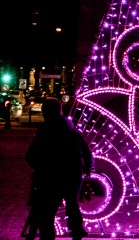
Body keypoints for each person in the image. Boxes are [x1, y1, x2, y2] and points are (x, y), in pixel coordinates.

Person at [25, 97, 93, 240]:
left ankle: (48, 236)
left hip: (52, 174)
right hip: (73, 172)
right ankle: (76, 230)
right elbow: (85, 150)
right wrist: (86, 168)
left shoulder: (45, 130)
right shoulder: (70, 129)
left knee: (48, 209)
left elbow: (32, 155)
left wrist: (38, 165)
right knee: (72, 203)